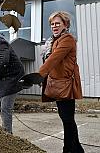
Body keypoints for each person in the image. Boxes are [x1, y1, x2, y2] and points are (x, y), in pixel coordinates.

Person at [39, 11, 84, 153]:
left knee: (68, 120)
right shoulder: (53, 41)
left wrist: (39, 75)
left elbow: (54, 58)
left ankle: (69, 149)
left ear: (65, 24)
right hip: (58, 85)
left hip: (66, 85)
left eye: (57, 23)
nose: (54, 26)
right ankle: (76, 150)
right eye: (52, 24)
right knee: (67, 120)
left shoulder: (67, 39)